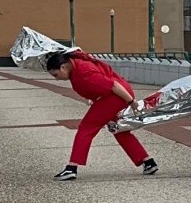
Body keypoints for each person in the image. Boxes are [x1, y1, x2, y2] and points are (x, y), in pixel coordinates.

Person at [46, 51, 158, 181]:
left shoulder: (85, 72)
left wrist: (132, 103)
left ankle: (71, 168)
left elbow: (114, 86)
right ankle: (148, 162)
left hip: (116, 96)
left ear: (63, 67)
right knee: (119, 130)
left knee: (86, 127)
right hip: (114, 96)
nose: (56, 78)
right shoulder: (77, 65)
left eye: (56, 74)